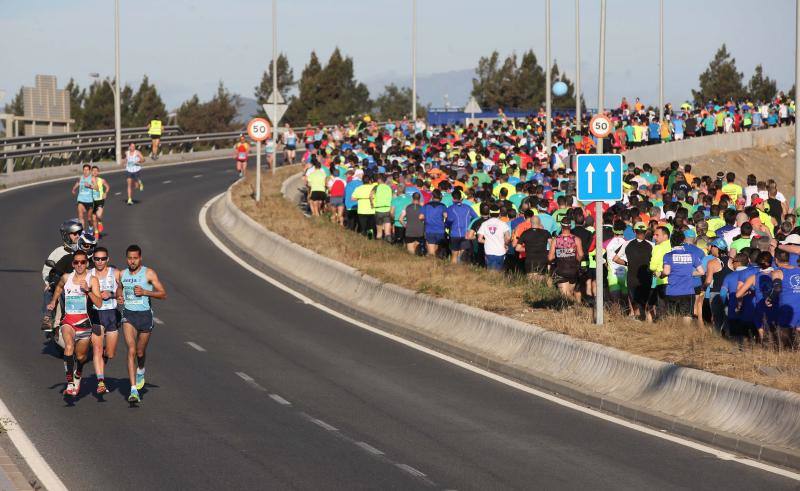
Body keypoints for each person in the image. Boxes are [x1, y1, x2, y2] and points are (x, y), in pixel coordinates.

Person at [47, 250, 102, 396]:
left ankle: (79, 372)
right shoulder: (67, 277)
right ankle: (70, 382)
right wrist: (53, 301)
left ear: (87, 263)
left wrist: (88, 291)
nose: (79, 265)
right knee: (69, 346)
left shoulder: (92, 280)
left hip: (84, 322)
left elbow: (99, 303)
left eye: (82, 262)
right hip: (68, 321)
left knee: (81, 357)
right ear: (73, 264)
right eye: (76, 262)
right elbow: (58, 287)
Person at [120, 244, 167, 403]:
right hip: (129, 315)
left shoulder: (148, 273)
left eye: (135, 258)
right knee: (131, 350)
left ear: (140, 258)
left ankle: (141, 370)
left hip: (145, 315)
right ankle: (133, 390)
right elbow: (120, 288)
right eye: (129, 258)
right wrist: (120, 296)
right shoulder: (123, 274)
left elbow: (163, 294)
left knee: (140, 352)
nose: (132, 261)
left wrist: (145, 292)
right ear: (126, 258)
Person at [88, 246, 121, 394]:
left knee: (110, 354)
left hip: (112, 315)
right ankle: (100, 382)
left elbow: (124, 292)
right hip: (96, 314)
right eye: (96, 259)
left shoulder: (115, 273)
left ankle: (103, 360)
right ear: (93, 260)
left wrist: (112, 294)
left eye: (102, 259)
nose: (100, 262)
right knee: (97, 349)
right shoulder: (89, 274)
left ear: (107, 259)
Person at [41, 219, 82, 331]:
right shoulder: (57, 252)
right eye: (74, 234)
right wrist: (48, 282)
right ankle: (48, 317)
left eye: (79, 233)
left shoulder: (83, 249)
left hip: (82, 286)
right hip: (62, 286)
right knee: (48, 290)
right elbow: (46, 270)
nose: (77, 236)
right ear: (66, 235)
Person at [660, 231, 705, 323]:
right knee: (687, 316)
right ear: (683, 241)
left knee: (671, 316)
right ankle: (686, 335)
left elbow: (666, 271)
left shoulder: (668, 255)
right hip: (688, 290)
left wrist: (661, 275)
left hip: (672, 291)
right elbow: (702, 271)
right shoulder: (692, 255)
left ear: (671, 242)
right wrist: (689, 273)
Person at [615, 222, 653, 321]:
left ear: (634, 231)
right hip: (646, 277)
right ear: (645, 232)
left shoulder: (627, 243)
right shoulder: (651, 245)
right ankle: (646, 321)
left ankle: (637, 319)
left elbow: (615, 258)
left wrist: (627, 264)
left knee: (634, 301)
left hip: (632, 277)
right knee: (645, 301)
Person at [770, 249, 800, 349]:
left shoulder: (777, 272)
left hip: (787, 307)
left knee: (783, 335)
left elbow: (777, 289)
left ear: (776, 260)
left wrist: (770, 299)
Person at [549, 217, 584, 301]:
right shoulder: (576, 239)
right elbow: (581, 254)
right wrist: (576, 260)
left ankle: (579, 307)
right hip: (573, 270)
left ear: (561, 226)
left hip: (561, 270)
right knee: (569, 294)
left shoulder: (556, 240)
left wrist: (559, 254)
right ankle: (577, 308)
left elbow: (550, 257)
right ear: (570, 226)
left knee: (566, 296)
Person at [514, 214, 551, 282]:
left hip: (530, 262)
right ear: (540, 223)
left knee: (532, 285)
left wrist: (529, 248)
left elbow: (517, 248)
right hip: (542, 261)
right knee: (542, 284)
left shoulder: (525, 233)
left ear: (530, 222)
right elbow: (551, 246)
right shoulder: (546, 233)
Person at [446, 189, 478, 264]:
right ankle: (461, 271)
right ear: (461, 198)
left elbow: (449, 220)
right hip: (465, 234)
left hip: (454, 234)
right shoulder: (468, 207)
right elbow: (476, 218)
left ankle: (453, 272)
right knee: (462, 256)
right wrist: (470, 227)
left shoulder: (450, 208)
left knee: (454, 255)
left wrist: (446, 225)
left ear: (453, 199)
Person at [477, 206, 511, 271]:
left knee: (490, 271)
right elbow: (508, 237)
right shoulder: (503, 224)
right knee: (499, 271)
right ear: (499, 214)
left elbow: (479, 239)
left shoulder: (484, 224)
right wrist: (505, 245)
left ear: (489, 213)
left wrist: (488, 241)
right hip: (500, 251)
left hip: (489, 251)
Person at [420, 189, 448, 256]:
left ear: (432, 196)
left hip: (429, 230)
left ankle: (432, 265)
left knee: (431, 253)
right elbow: (446, 216)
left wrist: (427, 218)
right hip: (440, 230)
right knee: (437, 253)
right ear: (440, 197)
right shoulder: (443, 206)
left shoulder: (426, 205)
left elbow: (420, 217)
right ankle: (436, 265)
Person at [72, 164, 95, 232]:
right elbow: (78, 183)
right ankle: (83, 232)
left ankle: (90, 229)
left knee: (89, 218)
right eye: (84, 170)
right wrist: (74, 188)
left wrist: (90, 186)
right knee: (80, 217)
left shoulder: (92, 178)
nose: (85, 171)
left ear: (90, 171)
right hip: (81, 200)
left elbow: (96, 188)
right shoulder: (81, 177)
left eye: (87, 170)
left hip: (89, 201)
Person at [90, 165, 110, 236]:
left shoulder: (101, 180)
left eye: (96, 171)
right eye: (93, 171)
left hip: (100, 200)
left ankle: (100, 222)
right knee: (93, 218)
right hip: (91, 201)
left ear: (98, 172)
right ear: (91, 172)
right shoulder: (88, 180)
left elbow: (107, 187)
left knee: (98, 216)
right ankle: (96, 232)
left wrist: (105, 193)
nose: (95, 172)